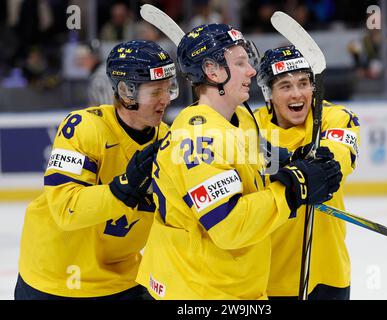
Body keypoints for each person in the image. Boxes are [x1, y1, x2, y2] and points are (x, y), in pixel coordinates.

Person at [136, 24, 342, 300]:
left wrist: (294, 164)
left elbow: (252, 163)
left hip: (234, 286)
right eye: (241, 63)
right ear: (213, 71)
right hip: (195, 292)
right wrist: (293, 190)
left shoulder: (240, 118)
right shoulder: (199, 140)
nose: (252, 71)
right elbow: (229, 226)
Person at [15, 40, 178, 300]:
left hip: (122, 280)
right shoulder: (82, 127)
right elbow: (66, 209)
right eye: (156, 91)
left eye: (169, 89)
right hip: (54, 282)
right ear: (127, 92)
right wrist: (124, 187)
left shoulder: (168, 139)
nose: (166, 99)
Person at [255, 45, 360, 300]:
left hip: (327, 274)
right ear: (269, 93)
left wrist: (317, 168)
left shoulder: (334, 117)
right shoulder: (251, 127)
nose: (297, 94)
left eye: (303, 83)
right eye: (285, 86)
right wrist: (293, 167)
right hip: (268, 280)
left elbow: (339, 158)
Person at [75, 41, 113, 106]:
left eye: (82, 58)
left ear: (93, 57)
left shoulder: (100, 76)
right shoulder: (103, 71)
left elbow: (108, 106)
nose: (80, 62)